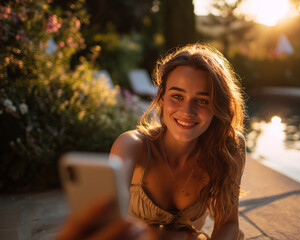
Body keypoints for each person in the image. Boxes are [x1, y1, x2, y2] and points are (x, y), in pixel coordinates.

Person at [57, 43, 246, 240]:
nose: (187, 111)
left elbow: (229, 223)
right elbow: (109, 225)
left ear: (217, 105)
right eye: (177, 96)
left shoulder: (228, 147)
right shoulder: (132, 146)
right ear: (161, 96)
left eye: (202, 100)